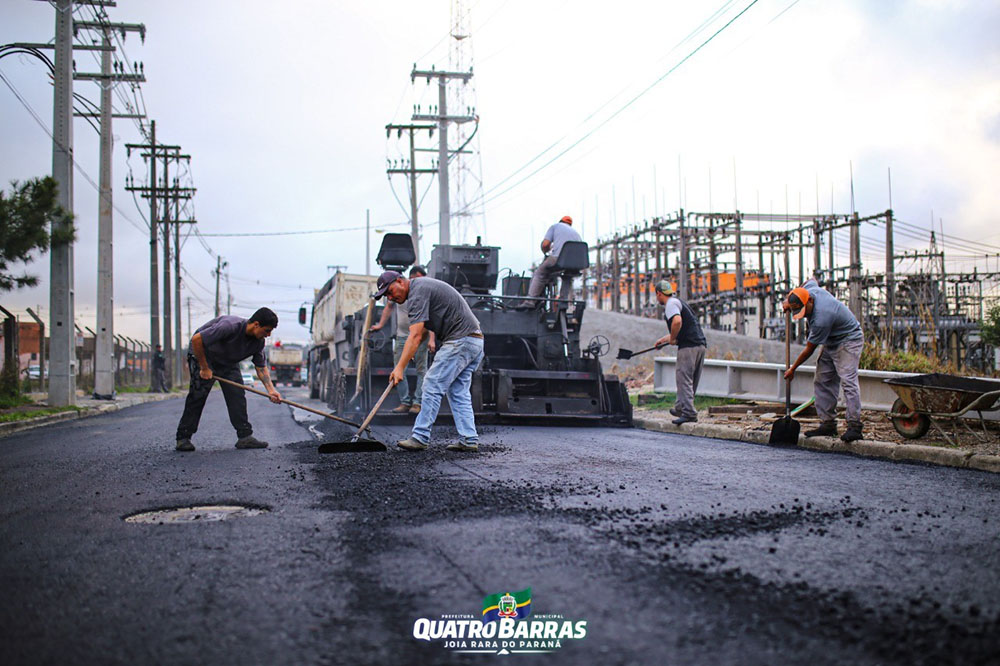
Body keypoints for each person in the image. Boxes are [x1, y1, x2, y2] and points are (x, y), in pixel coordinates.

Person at [375, 270, 485, 452]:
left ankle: (420, 437)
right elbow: (423, 330)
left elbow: (415, 335)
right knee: (458, 392)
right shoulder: (420, 289)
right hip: (475, 341)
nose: (390, 297)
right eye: (386, 295)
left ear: (400, 281)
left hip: (460, 341)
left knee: (432, 384)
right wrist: (410, 354)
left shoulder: (417, 292)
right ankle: (469, 439)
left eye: (390, 291)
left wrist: (399, 367)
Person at [174, 307, 282, 452]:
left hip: (228, 362)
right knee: (198, 395)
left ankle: (245, 437)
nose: (268, 335)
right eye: (267, 330)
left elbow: (261, 367)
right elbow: (197, 339)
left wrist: (271, 390)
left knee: (237, 395)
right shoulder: (229, 326)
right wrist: (204, 367)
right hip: (204, 357)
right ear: (256, 324)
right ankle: (183, 438)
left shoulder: (258, 342)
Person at [782, 279, 865, 442]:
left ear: (810, 301)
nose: (804, 315)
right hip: (830, 340)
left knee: (848, 381)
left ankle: (855, 426)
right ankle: (828, 424)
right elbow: (811, 281)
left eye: (804, 310)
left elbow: (809, 350)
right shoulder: (809, 289)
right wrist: (787, 301)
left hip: (849, 339)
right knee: (823, 380)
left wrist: (793, 369)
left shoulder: (822, 318)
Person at [370, 265, 435, 414]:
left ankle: (418, 402)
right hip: (403, 335)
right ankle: (405, 402)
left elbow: (431, 318)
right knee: (399, 369)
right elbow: (388, 307)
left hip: (420, 335)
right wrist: (380, 324)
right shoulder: (398, 293)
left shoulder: (423, 293)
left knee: (421, 369)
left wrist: (431, 339)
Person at [653, 280, 707, 426]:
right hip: (699, 345)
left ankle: (689, 413)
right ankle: (680, 408)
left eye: (656, 295)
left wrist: (672, 339)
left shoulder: (670, 304)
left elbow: (677, 322)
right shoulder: (678, 302)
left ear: (659, 293)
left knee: (684, 380)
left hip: (688, 347)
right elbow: (681, 328)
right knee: (690, 380)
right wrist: (663, 340)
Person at [522, 215, 582, 306]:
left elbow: (545, 244)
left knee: (540, 273)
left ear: (560, 221)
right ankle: (563, 302)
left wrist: (545, 250)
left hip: (558, 259)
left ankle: (530, 301)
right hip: (575, 263)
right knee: (568, 276)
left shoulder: (555, 226)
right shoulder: (576, 233)